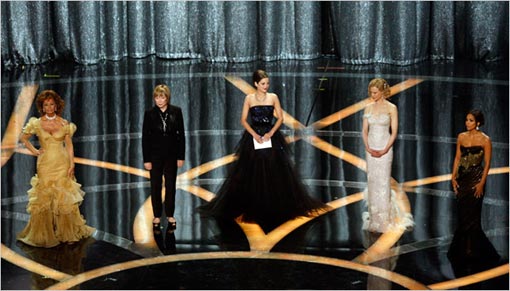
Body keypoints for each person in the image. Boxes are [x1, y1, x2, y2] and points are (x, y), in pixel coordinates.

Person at [198, 69, 328, 230]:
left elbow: (280, 118)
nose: (266, 86)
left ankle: (273, 203)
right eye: (263, 83)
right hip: (254, 136)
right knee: (250, 170)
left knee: (274, 169)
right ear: (255, 84)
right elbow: (243, 120)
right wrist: (254, 134)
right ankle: (251, 203)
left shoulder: (273, 97)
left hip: (269, 135)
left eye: (267, 83)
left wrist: (270, 133)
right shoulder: (249, 99)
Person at [17, 90, 95, 248]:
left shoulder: (64, 123)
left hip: (62, 163)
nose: (49, 107)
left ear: (56, 105)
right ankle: (44, 233)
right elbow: (23, 138)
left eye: (52, 104)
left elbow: (69, 146)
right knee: (45, 198)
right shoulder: (36, 123)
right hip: (45, 164)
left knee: (64, 197)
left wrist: (72, 164)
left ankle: (66, 232)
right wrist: (35, 151)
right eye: (46, 105)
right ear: (42, 107)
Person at [448, 109, 500, 271]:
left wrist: (481, 183)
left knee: (473, 216)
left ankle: (474, 250)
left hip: (476, 178)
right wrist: (453, 176)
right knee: (463, 215)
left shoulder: (485, 140)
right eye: (466, 120)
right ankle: (462, 250)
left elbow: (487, 164)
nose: (467, 123)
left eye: (470, 120)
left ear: (478, 123)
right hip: (462, 178)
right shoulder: (461, 137)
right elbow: (457, 157)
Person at [361, 78, 413, 233]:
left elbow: (394, 132)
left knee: (383, 183)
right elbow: (364, 131)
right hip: (370, 149)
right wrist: (368, 147)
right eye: (371, 92)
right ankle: (374, 220)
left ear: (382, 92)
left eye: (375, 92)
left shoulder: (392, 108)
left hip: (385, 149)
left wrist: (385, 149)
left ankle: (384, 221)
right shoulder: (368, 108)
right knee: (372, 183)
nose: (372, 95)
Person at [142, 84, 185, 232]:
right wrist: (146, 159)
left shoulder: (176, 112)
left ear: (167, 97)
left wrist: (181, 156)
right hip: (155, 155)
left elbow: (181, 136)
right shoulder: (149, 114)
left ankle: (170, 215)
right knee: (155, 185)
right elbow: (145, 138)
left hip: (172, 155)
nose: (159, 100)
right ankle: (157, 216)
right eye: (157, 97)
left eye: (162, 97)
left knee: (171, 185)